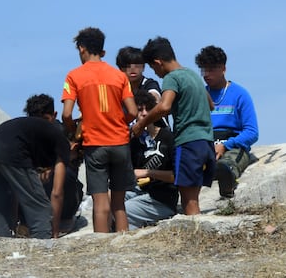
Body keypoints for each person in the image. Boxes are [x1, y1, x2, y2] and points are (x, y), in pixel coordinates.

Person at [61, 27, 138, 233]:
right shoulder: (119, 76)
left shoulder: (74, 76)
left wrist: (75, 130)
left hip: (94, 144)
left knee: (100, 202)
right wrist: (119, 122)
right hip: (120, 142)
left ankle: (102, 247)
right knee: (119, 203)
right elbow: (132, 110)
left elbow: (66, 114)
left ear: (82, 48)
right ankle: (124, 242)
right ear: (102, 51)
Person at [132, 37, 216, 215]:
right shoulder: (192, 75)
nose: (156, 73)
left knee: (188, 201)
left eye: (154, 68)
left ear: (158, 62)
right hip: (206, 142)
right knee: (194, 197)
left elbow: (164, 106)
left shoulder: (172, 78)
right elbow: (210, 105)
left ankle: (195, 240)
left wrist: (142, 123)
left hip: (188, 143)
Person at [0, 116, 70, 239]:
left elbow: (19, 190)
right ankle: (44, 247)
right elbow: (57, 193)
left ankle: (2, 246)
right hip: (10, 149)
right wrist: (54, 233)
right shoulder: (63, 142)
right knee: (41, 208)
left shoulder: (39, 136)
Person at [195, 45, 259, 198]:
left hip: (232, 145)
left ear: (223, 69)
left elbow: (252, 132)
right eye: (204, 70)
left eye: (211, 69)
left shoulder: (240, 94)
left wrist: (225, 145)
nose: (206, 75)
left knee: (226, 165)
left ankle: (228, 186)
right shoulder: (200, 95)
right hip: (207, 145)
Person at [23, 93, 83, 234]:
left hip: (65, 193)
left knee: (63, 175)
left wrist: (52, 168)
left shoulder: (63, 133)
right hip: (36, 189)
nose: (40, 125)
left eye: (44, 120)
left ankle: (61, 221)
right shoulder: (25, 135)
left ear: (54, 115)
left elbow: (73, 163)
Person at [125, 90, 178, 229]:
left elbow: (176, 176)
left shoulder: (167, 137)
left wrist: (147, 173)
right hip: (141, 192)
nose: (144, 113)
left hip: (162, 197)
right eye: (139, 110)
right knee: (112, 200)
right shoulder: (134, 142)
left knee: (124, 210)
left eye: (148, 109)